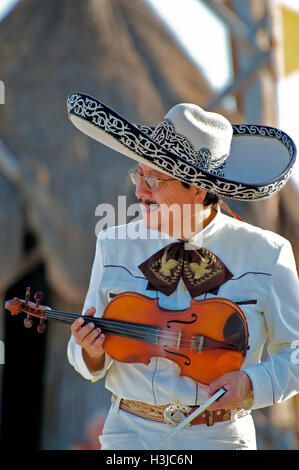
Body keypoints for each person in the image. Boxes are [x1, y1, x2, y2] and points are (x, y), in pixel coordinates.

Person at [66, 92, 299, 450]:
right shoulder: (112, 244)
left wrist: (251, 384)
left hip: (221, 438)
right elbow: (83, 355)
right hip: (127, 437)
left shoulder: (268, 254)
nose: (140, 191)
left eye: (155, 181)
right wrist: (90, 351)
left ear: (198, 190)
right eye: (139, 174)